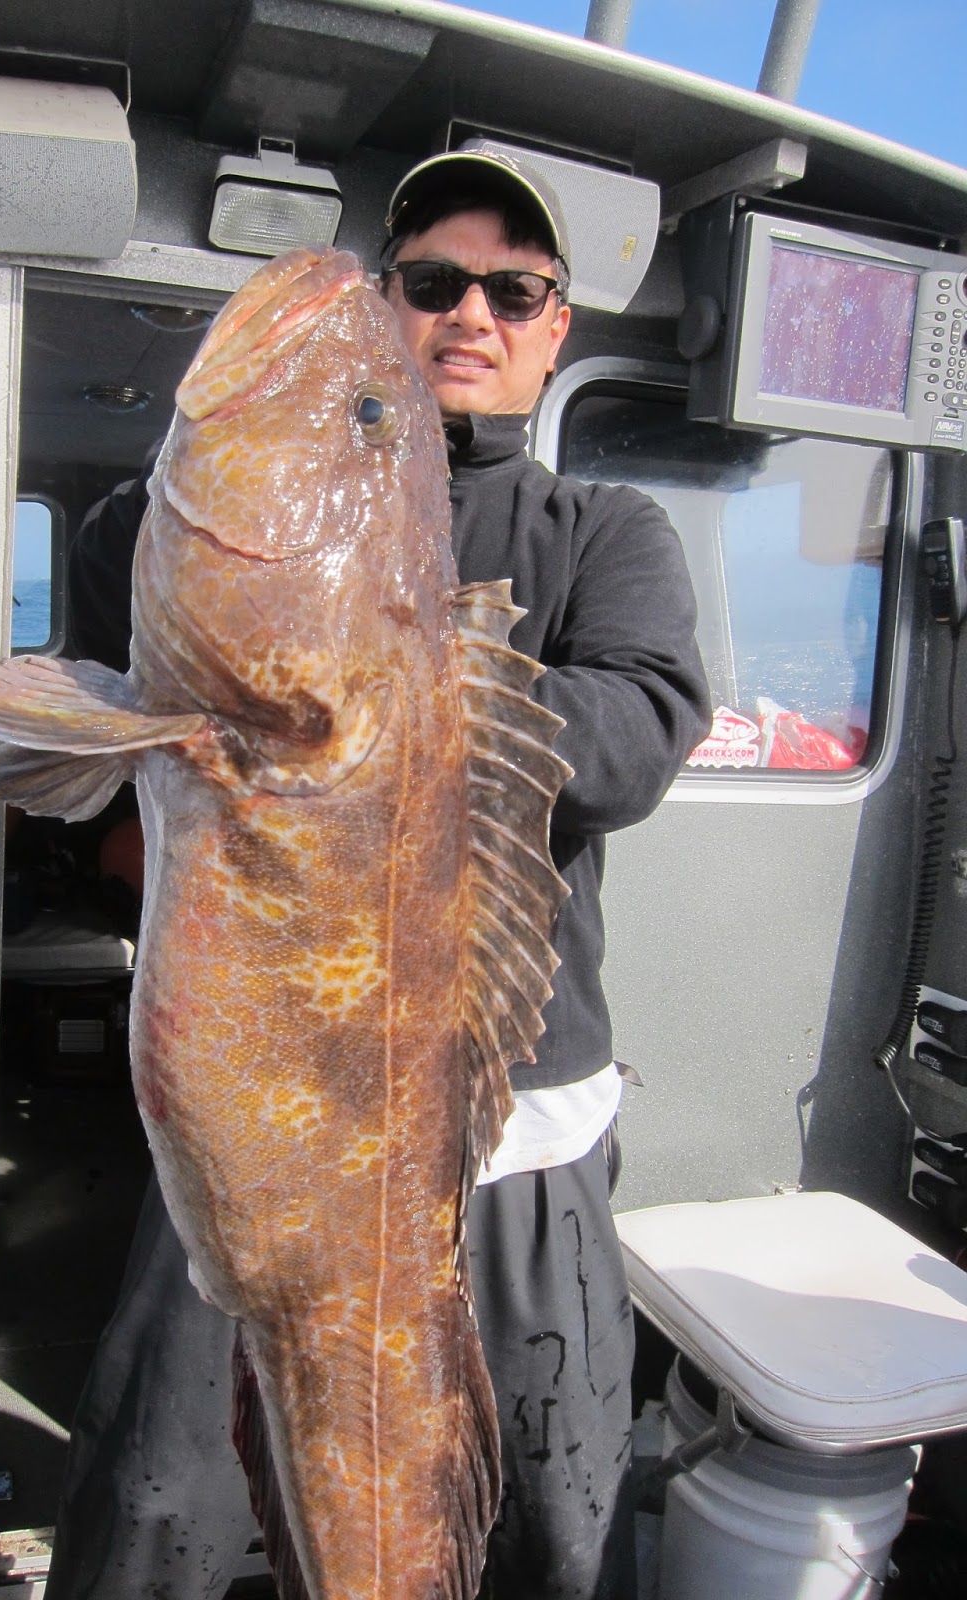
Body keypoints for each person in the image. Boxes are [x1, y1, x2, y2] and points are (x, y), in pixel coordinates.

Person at [44, 151, 711, 1600]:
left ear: (553, 332)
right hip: (261, 1128)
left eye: (516, 290)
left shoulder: (606, 534)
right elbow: (89, 728)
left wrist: (395, 704)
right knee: (162, 1500)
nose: (469, 312)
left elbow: (640, 735)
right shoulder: (146, 533)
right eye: (429, 282)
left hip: (516, 1122)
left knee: (547, 1510)